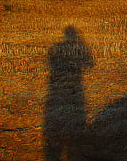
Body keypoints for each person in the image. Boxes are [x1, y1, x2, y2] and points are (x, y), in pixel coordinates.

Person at [43, 26, 94, 161]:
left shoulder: (55, 48)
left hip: (59, 90)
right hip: (74, 87)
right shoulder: (79, 48)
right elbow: (90, 63)